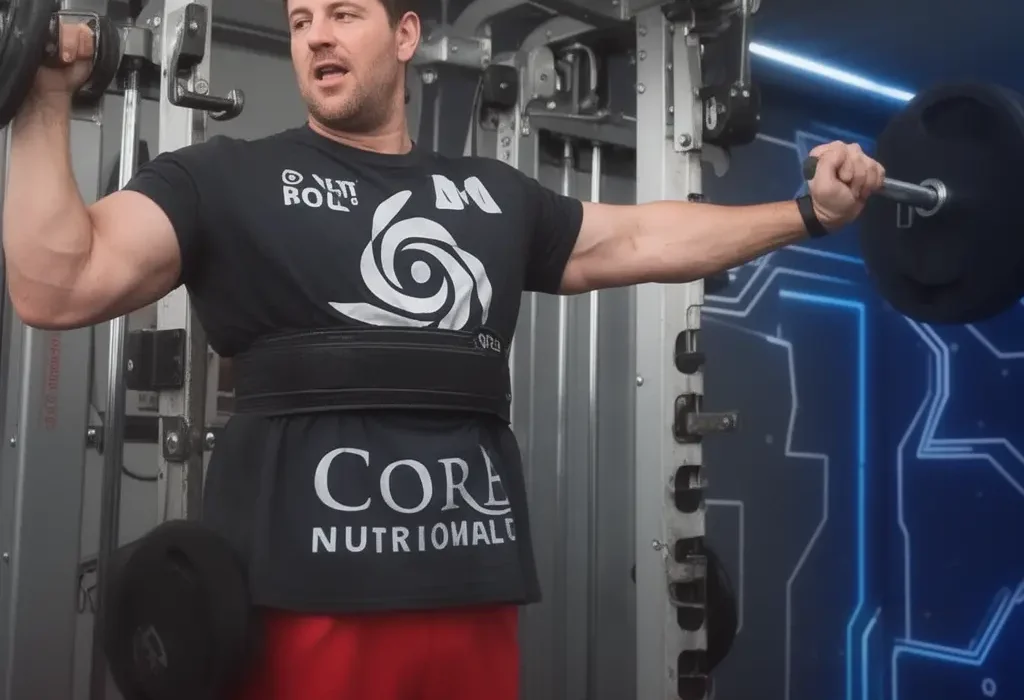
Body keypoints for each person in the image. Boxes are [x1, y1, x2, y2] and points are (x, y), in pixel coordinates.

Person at [3, 0, 886, 698]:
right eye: (300, 21)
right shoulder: (227, 178)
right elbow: (57, 280)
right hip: (302, 606)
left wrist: (805, 214)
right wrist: (41, 94)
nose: (317, 38)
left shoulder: (491, 194)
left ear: (407, 34)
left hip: (472, 589)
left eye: (344, 12)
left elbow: (641, 237)